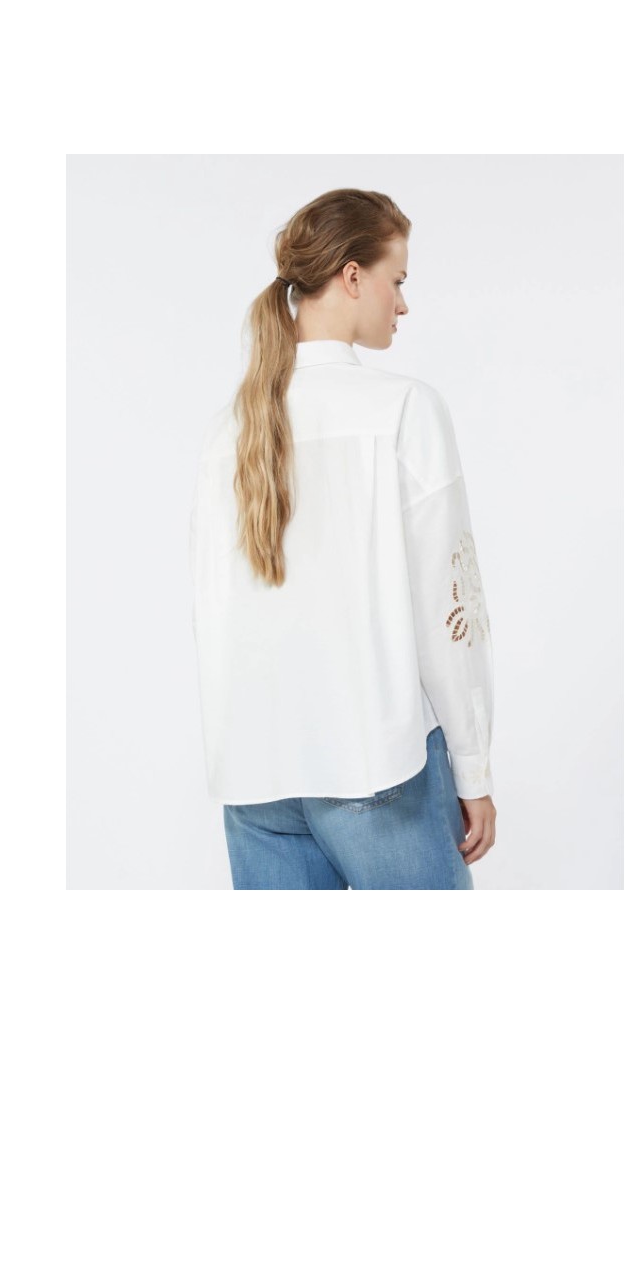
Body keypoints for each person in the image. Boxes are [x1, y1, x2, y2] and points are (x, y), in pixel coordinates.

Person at [188, 188, 497, 889]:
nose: (403, 304)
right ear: (353, 276)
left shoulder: (228, 429)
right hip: (377, 769)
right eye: (398, 280)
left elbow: (209, 609)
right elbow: (449, 612)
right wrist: (474, 770)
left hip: (256, 778)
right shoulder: (404, 410)